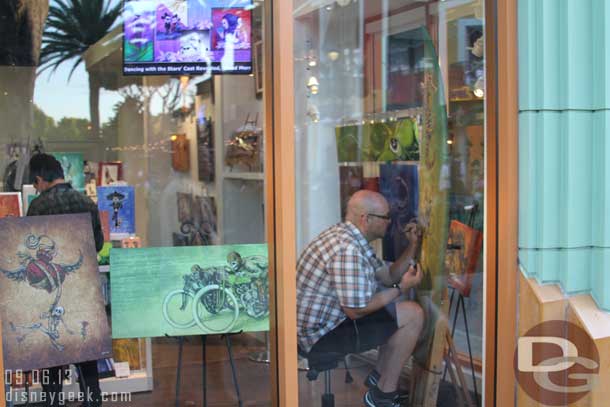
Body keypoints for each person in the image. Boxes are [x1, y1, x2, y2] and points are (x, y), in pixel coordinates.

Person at [297, 190, 424, 407]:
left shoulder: (349, 237)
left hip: (320, 326)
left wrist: (412, 245)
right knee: (413, 314)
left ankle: (379, 378)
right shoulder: (347, 249)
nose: (390, 222)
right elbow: (356, 310)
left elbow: (388, 275)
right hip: (319, 337)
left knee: (394, 308)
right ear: (366, 219)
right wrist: (402, 287)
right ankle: (382, 396)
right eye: (385, 217)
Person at [27, 153, 105, 407]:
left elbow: (30, 255)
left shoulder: (38, 207)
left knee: (53, 353)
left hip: (52, 294)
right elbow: (99, 244)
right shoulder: (87, 203)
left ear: (39, 179)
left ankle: (53, 401)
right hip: (83, 291)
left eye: (35, 184)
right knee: (86, 352)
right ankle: (93, 401)